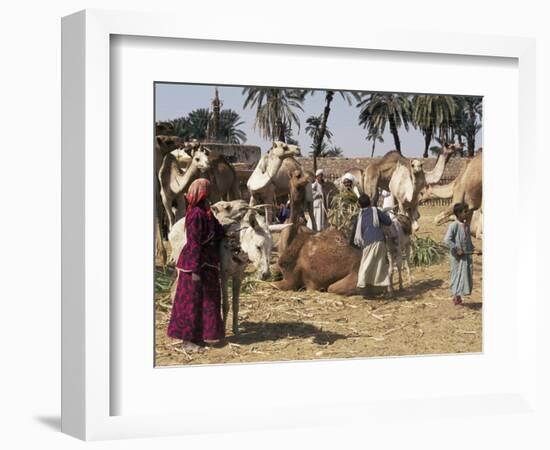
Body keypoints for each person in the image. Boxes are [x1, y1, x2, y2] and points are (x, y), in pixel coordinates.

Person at [167, 178, 225, 351]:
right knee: (191, 302)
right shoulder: (196, 215)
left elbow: (218, 230)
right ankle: (188, 341)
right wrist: (195, 270)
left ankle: (200, 336)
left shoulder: (207, 212)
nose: (212, 192)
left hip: (208, 264)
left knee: (207, 302)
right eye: (209, 189)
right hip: (196, 265)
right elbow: (194, 243)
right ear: (203, 193)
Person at [350, 194, 393, 292]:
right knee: (380, 266)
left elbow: (353, 234)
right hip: (381, 241)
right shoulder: (376, 211)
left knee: (365, 265)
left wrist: (351, 246)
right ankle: (387, 289)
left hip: (369, 242)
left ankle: (361, 287)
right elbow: (389, 222)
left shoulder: (359, 216)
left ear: (359, 205)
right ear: (369, 202)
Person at [443, 202, 481, 305]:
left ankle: (459, 295)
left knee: (464, 275)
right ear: (458, 213)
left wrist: (475, 249)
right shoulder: (454, 225)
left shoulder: (466, 226)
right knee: (456, 276)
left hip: (466, 257)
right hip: (457, 258)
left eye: (467, 211)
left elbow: (468, 241)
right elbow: (447, 240)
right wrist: (456, 249)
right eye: (465, 211)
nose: (467, 213)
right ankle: (456, 296)